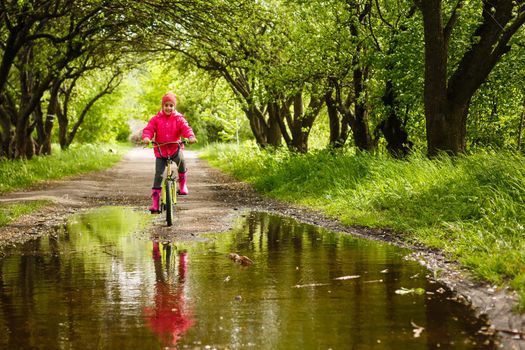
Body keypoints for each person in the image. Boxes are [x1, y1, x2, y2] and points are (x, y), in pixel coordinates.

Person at [142, 92, 197, 213]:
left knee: (182, 162)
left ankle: (182, 185)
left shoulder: (178, 118)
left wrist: (190, 136)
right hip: (161, 151)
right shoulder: (156, 119)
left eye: (171, 105)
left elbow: (186, 128)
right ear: (162, 106)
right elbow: (149, 129)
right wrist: (147, 138)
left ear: (174, 106)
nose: (168, 108)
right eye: (166, 105)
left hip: (175, 149)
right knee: (159, 175)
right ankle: (155, 204)